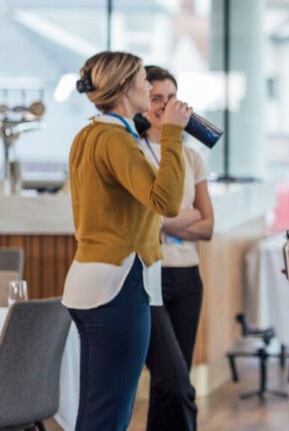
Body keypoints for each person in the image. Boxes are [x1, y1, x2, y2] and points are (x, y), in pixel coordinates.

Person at [62, 51, 191, 430]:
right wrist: (172, 134)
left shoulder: (87, 134)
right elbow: (165, 201)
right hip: (117, 286)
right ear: (123, 88)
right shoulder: (116, 140)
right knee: (111, 415)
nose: (149, 86)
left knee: (95, 411)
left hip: (88, 282)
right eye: (141, 78)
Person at [139, 66, 214, 431]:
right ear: (142, 101)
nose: (164, 106)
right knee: (173, 381)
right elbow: (142, 219)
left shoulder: (191, 157)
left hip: (186, 277)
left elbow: (208, 225)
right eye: (156, 98)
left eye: (170, 98)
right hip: (148, 276)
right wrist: (181, 218)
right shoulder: (133, 151)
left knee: (172, 380)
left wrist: (162, 220)